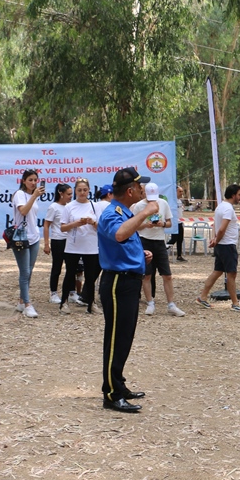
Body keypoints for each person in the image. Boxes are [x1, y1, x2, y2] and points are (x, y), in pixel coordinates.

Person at [99, 167, 157, 413]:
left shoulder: (124, 212)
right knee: (116, 339)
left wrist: (140, 255)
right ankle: (111, 394)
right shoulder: (112, 213)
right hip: (117, 283)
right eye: (139, 185)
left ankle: (118, 384)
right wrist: (147, 211)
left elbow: (125, 241)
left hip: (129, 280)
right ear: (131, 190)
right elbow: (120, 235)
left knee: (125, 337)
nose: (143, 189)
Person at [133, 183, 185, 317]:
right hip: (144, 241)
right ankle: (150, 303)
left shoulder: (163, 203)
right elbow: (133, 226)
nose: (151, 200)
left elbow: (169, 223)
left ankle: (171, 304)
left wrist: (162, 224)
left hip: (159, 241)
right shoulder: (139, 206)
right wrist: (145, 225)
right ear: (143, 193)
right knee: (147, 275)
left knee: (167, 274)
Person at [197, 184, 240, 312]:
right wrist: (216, 240)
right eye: (239, 194)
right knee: (231, 274)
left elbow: (215, 225)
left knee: (217, 272)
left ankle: (202, 297)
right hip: (227, 246)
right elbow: (222, 228)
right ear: (233, 195)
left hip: (222, 245)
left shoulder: (220, 206)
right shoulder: (228, 209)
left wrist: (215, 240)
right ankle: (235, 303)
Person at [61, 178, 102, 315]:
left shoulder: (95, 206)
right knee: (70, 274)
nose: (82, 192)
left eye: (85, 190)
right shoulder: (69, 207)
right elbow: (62, 227)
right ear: (75, 191)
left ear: (89, 190)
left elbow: (101, 227)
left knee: (90, 276)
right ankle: (64, 302)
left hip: (90, 245)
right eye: (79, 190)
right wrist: (76, 224)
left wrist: (92, 223)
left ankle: (91, 303)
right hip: (73, 245)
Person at [11, 170, 45, 318]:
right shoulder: (19, 194)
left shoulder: (33, 196)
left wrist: (34, 196)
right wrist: (34, 196)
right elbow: (23, 211)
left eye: (35, 180)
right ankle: (27, 304)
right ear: (24, 181)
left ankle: (21, 301)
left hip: (34, 237)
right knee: (24, 272)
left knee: (29, 271)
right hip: (21, 237)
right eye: (30, 180)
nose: (33, 183)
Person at [43, 184, 72, 304]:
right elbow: (46, 225)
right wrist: (46, 243)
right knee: (57, 267)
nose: (71, 196)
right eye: (68, 194)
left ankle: (71, 291)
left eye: (71, 194)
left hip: (69, 240)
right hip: (58, 240)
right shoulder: (54, 207)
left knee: (71, 267)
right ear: (61, 193)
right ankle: (53, 292)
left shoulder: (70, 207)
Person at [173, 185, 188, 262]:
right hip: (174, 223)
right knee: (173, 239)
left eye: (182, 191)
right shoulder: (172, 201)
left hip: (180, 222)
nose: (181, 193)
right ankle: (164, 249)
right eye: (180, 191)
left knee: (180, 239)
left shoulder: (180, 201)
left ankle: (179, 255)